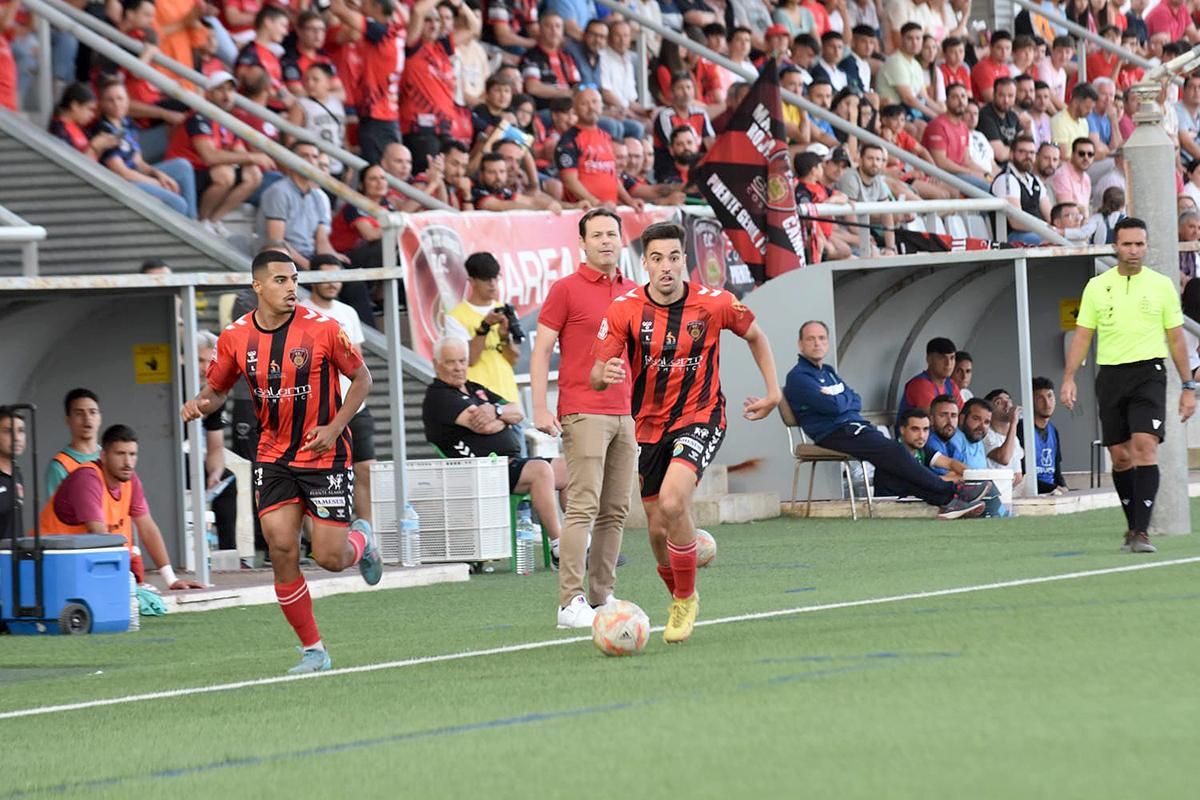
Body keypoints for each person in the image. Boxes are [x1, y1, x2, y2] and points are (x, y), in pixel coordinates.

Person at [181, 250, 382, 674]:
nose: (290, 287)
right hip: (272, 455)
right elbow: (218, 388)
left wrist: (333, 428)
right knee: (281, 548)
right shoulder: (234, 337)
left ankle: (362, 539)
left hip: (324, 453)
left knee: (329, 557)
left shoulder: (324, 329)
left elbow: (363, 378)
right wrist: (202, 402)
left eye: (293, 279)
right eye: (279, 280)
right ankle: (314, 650)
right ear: (257, 286)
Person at [590, 221, 783, 644]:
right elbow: (596, 373)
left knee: (674, 500)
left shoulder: (714, 303)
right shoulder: (623, 310)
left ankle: (687, 597)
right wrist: (604, 374)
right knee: (658, 527)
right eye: (656, 258)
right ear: (645, 262)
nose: (666, 267)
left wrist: (773, 391)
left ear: (684, 260)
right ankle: (679, 591)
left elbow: (756, 334)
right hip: (647, 427)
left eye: (674, 257)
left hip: (702, 414)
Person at [1061, 217, 1197, 553]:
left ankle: (1141, 532)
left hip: (1149, 373)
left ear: (1147, 246)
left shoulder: (1162, 285)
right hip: (1110, 375)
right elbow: (1082, 335)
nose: (1133, 251)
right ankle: (1132, 527)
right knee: (1120, 456)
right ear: (1115, 246)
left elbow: (1176, 339)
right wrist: (1068, 378)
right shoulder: (1097, 286)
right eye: (1127, 244)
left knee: (1144, 446)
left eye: (1139, 244)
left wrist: (1188, 385)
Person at [531, 209, 636, 629]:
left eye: (612, 233)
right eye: (597, 235)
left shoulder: (634, 291)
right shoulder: (565, 289)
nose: (606, 241)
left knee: (615, 510)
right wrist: (540, 406)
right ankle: (568, 602)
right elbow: (541, 351)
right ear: (583, 243)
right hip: (582, 408)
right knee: (582, 507)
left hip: (626, 413)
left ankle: (601, 596)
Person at [784, 321, 988, 516]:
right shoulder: (799, 377)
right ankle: (951, 491)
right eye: (811, 339)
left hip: (852, 426)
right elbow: (833, 406)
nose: (817, 343)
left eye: (821, 338)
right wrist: (841, 400)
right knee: (896, 451)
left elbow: (856, 400)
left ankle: (948, 502)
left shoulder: (828, 372)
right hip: (833, 432)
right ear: (800, 344)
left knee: (891, 469)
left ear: (828, 342)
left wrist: (840, 400)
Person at [422, 335, 565, 558]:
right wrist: (502, 417)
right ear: (436, 364)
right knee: (540, 470)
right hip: (478, 472)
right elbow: (484, 427)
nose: (458, 368)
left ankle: (582, 539)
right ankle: (559, 546)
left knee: (569, 470)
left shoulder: (474, 388)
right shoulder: (439, 396)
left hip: (507, 466)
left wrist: (497, 412)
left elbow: (517, 411)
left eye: (462, 361)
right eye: (451, 362)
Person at [40, 424, 203, 590]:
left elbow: (147, 528)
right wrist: (126, 584)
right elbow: (99, 536)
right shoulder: (87, 478)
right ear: (103, 456)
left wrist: (171, 580)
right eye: (120, 454)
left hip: (81, 566)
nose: (128, 462)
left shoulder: (131, 480)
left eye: (132, 454)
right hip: (50, 566)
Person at [302, 255, 378, 525]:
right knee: (315, 473)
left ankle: (367, 531)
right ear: (311, 279)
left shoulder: (348, 313)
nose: (333, 283)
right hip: (317, 408)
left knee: (366, 468)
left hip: (354, 406)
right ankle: (315, 538)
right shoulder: (302, 312)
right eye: (326, 277)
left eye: (337, 277)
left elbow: (358, 359)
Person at [164, 70, 269, 235]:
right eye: (220, 90)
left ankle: (214, 220)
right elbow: (209, 156)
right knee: (225, 174)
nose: (226, 95)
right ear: (208, 94)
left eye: (230, 90)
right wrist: (252, 156)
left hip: (206, 173)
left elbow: (240, 152)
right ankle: (202, 221)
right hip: (186, 175)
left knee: (254, 173)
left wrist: (252, 159)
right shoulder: (199, 117)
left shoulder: (226, 121)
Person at [329, 0, 402, 165]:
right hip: (385, 115)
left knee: (378, 175)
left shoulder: (377, 32)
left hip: (376, 117)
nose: (361, 5)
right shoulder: (395, 29)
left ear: (377, 7)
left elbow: (336, 8)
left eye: (366, 2)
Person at [442, 252, 521, 403]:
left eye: (495, 277)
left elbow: (514, 359)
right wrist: (485, 327)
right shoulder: (455, 317)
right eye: (486, 279)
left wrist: (504, 338)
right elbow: (470, 359)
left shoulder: (504, 309)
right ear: (472, 281)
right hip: (478, 399)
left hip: (508, 395)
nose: (492, 284)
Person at [255, 140, 337, 269]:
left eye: (314, 157)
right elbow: (277, 242)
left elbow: (322, 241)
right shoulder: (278, 192)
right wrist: (311, 268)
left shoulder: (318, 196)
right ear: (291, 160)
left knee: (352, 280)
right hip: (280, 259)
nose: (310, 161)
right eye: (304, 156)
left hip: (310, 257)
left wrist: (333, 263)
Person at [194, 330, 239, 551]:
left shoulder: (216, 392)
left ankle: (228, 551)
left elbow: (216, 446)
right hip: (169, 458)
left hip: (193, 459)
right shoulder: (175, 383)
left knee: (227, 480)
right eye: (199, 360)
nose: (204, 367)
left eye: (209, 361)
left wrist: (215, 473)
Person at [992, 134, 1052, 246]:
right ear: (1011, 154)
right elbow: (1016, 221)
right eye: (1022, 152)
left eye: (1031, 153)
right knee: (1048, 241)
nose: (1027, 156)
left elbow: (1051, 216)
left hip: (1036, 232)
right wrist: (1047, 229)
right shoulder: (1007, 178)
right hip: (1011, 237)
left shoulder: (1035, 180)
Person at [1018, 376, 1069, 496]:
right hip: (1030, 493)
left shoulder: (1053, 430)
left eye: (1050, 396)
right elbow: (1023, 476)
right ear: (1030, 401)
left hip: (1053, 491)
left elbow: (1056, 470)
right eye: (1040, 398)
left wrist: (1064, 487)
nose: (1047, 403)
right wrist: (1053, 488)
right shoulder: (1021, 429)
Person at [47, 388, 102, 496]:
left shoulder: (110, 457)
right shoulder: (60, 466)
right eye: (79, 413)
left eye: (93, 412)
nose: (87, 418)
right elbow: (57, 511)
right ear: (68, 420)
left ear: (100, 418)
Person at [897, 336, 963, 421]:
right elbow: (937, 420)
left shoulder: (950, 384)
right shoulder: (920, 384)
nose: (948, 363)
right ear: (929, 359)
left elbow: (963, 415)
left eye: (952, 358)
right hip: (918, 433)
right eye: (942, 358)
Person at [982, 388, 1024, 486]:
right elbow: (1004, 458)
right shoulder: (986, 434)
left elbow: (1018, 476)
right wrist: (1013, 423)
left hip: (1008, 493)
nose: (1007, 404)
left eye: (1008, 400)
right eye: (999, 402)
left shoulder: (1014, 439)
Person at [0, 406, 24, 539]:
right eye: (8, 431)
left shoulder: (17, 474)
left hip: (14, 558)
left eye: (21, 431)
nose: (17, 438)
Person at [957, 396, 992, 469]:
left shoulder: (978, 439)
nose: (982, 426)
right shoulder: (955, 439)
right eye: (976, 419)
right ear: (962, 419)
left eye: (986, 422)